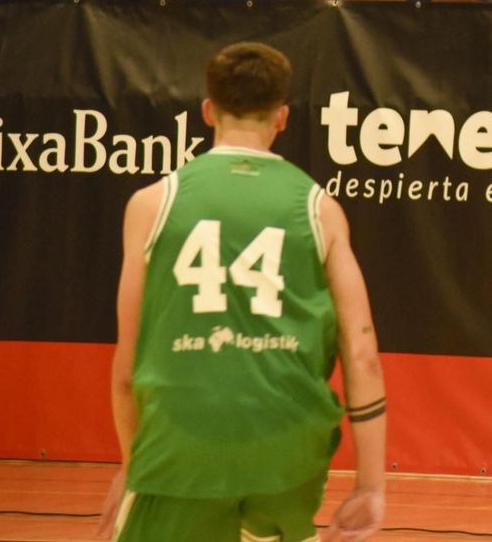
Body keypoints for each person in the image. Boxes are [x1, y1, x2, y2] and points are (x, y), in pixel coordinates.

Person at [96, 43, 386, 542]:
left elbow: (127, 365)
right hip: (286, 444)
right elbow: (362, 355)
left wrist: (134, 467)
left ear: (208, 110)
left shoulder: (151, 203)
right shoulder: (320, 210)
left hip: (179, 445)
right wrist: (371, 486)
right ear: (282, 117)